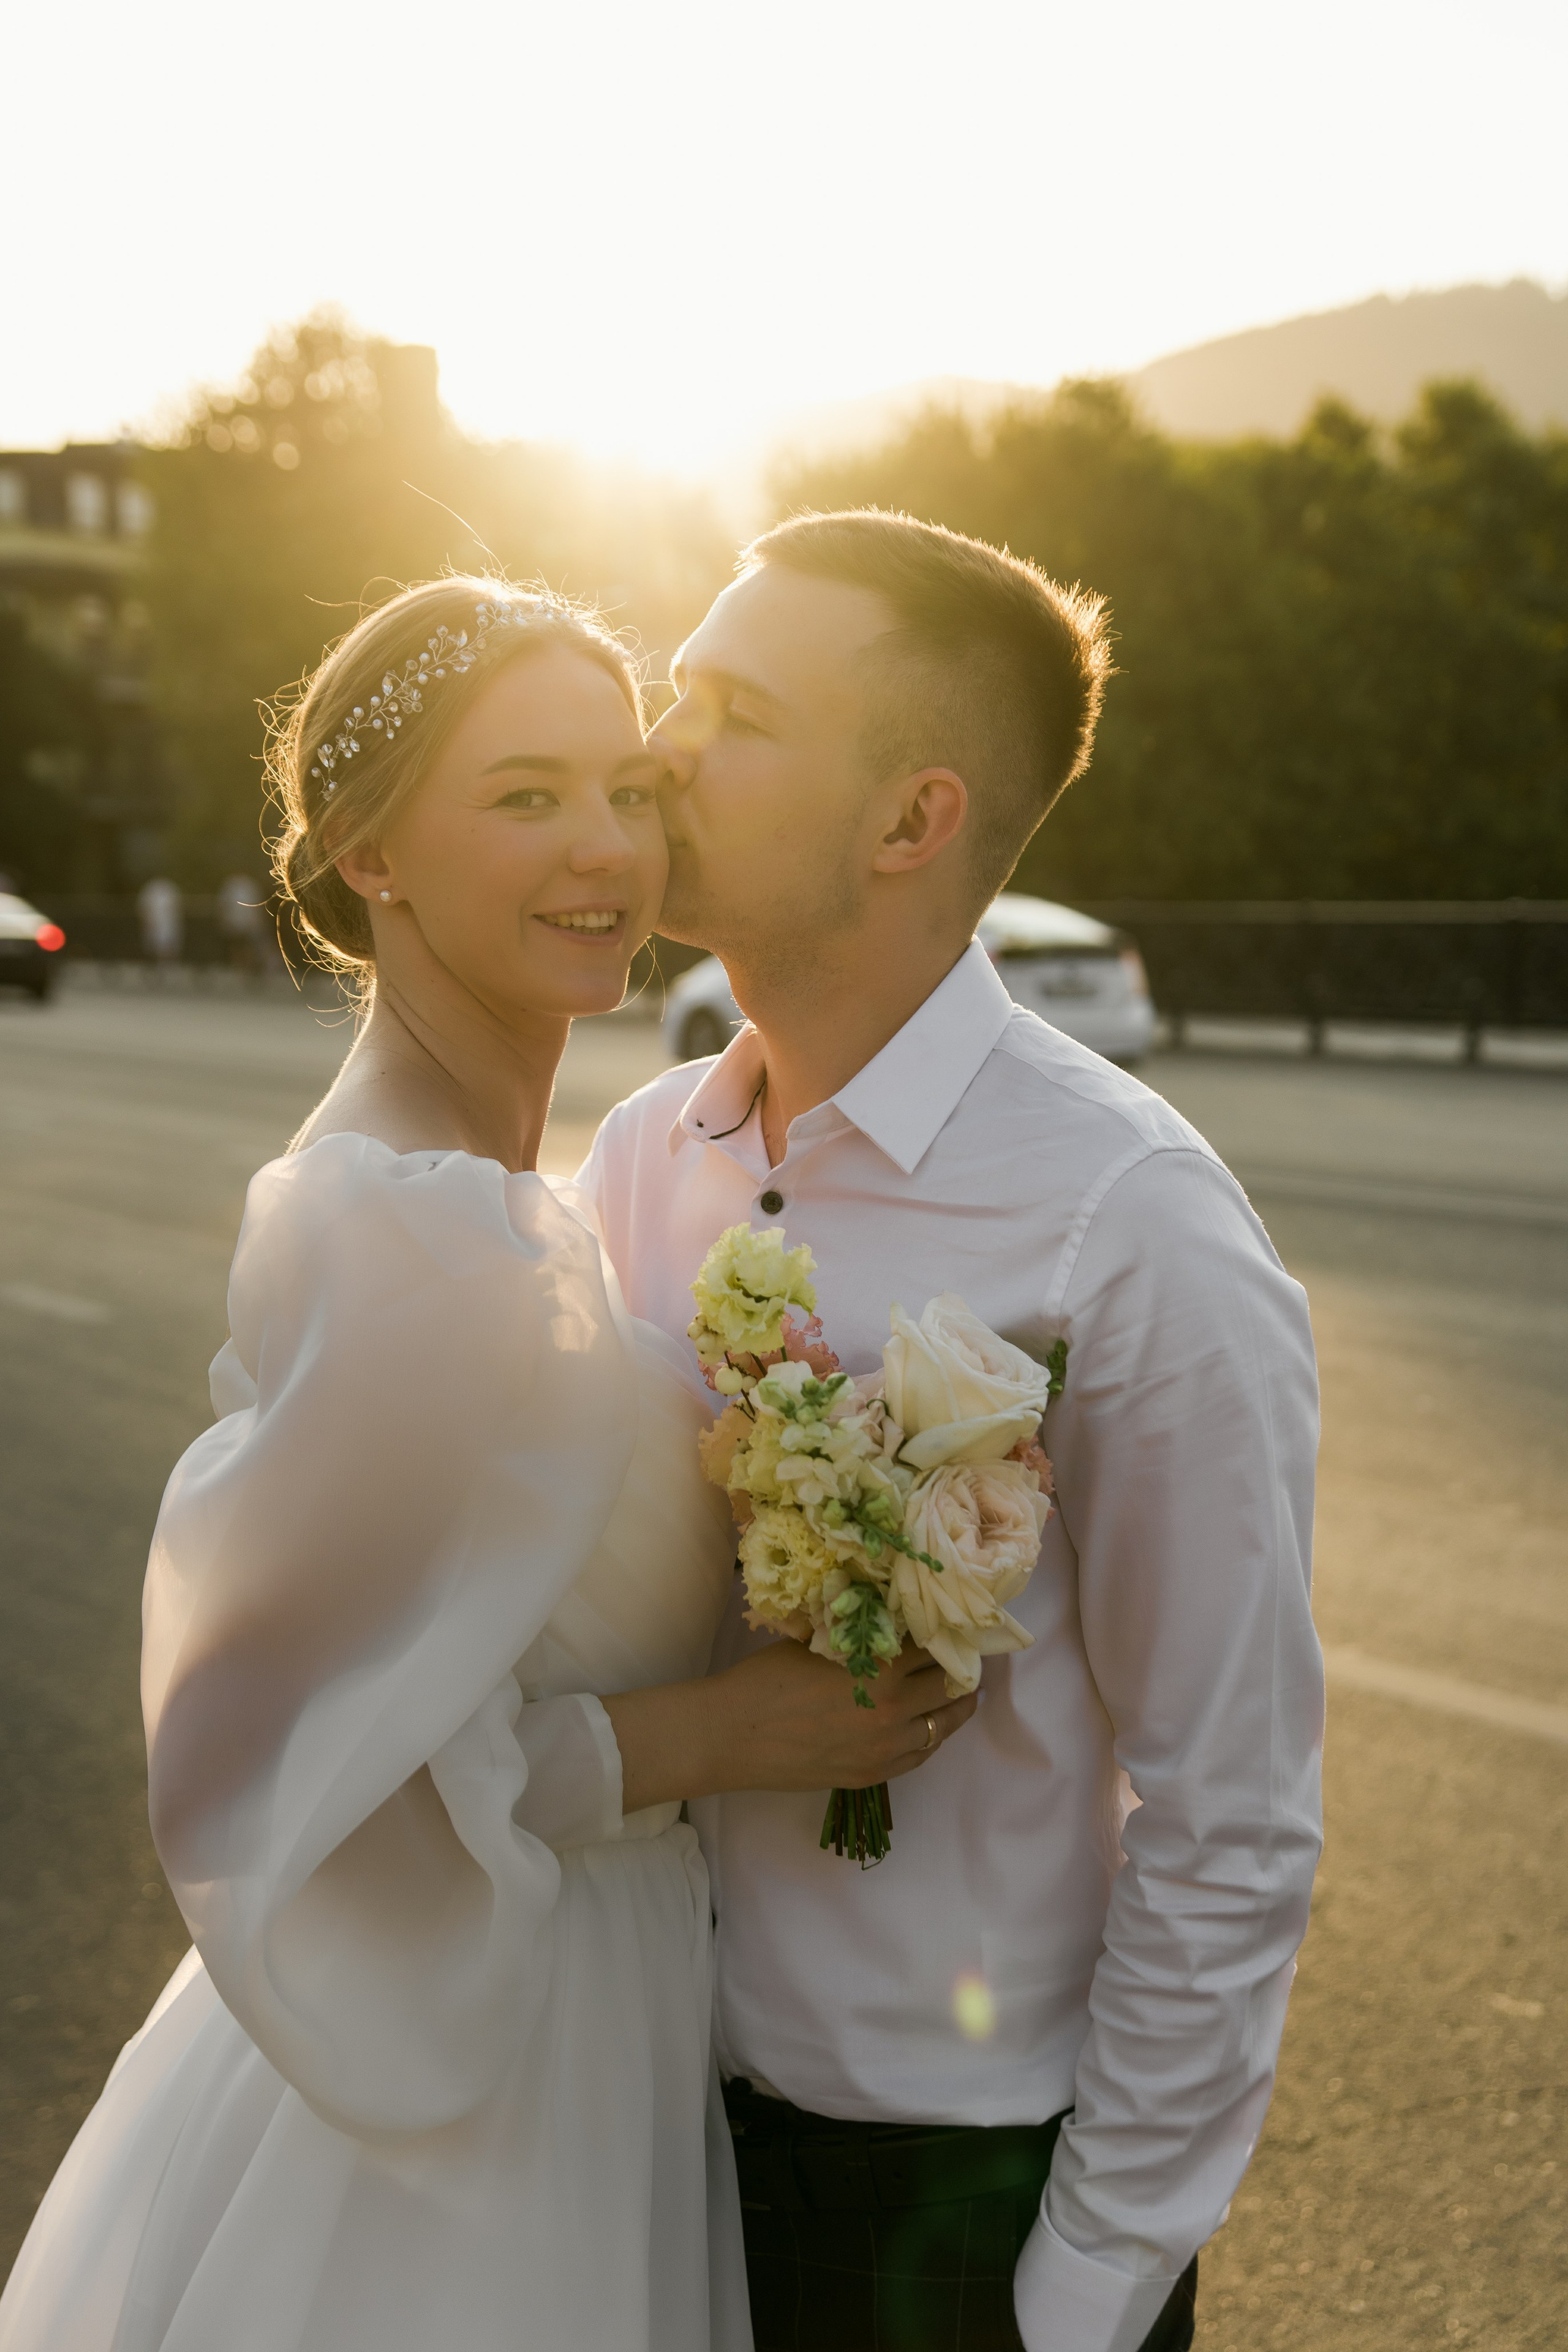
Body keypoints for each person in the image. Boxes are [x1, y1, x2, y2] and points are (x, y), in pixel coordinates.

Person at [0, 575, 975, 2352]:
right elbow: (316, 1775)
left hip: (592, 1992)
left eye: (628, 788)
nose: (605, 845)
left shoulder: (509, 1188)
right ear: (369, 853)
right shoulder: (417, 1228)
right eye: (525, 795)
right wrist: (726, 1737)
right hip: (481, 2080)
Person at [578, 512, 1324, 2352]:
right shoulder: (641, 1157)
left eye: (738, 712)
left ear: (913, 819)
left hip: (953, 2208)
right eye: (678, 688)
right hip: (633, 2148)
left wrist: (1085, 2287)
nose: (658, 749)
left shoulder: (1129, 1221)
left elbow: (1230, 1814)